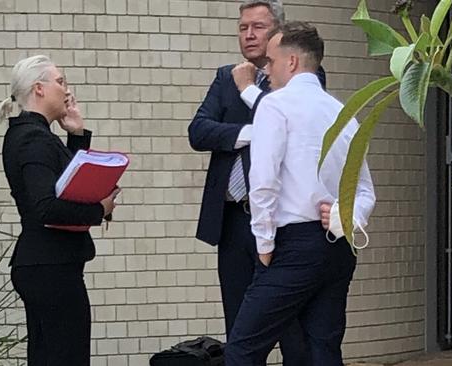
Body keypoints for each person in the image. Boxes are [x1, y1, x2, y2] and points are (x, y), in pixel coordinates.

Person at [224, 22, 376, 366]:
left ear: (291, 62)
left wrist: (263, 243)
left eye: (271, 61)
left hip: (291, 245)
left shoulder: (274, 105)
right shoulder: (343, 113)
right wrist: (346, 215)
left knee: (242, 348)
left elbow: (262, 180)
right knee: (321, 349)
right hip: (338, 247)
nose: (266, 70)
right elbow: (365, 188)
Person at [188, 1, 328, 364]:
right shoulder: (226, 77)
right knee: (240, 328)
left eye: (258, 27)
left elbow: (293, 119)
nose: (249, 35)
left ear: (278, 34)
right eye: (243, 27)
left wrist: (252, 92)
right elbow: (199, 131)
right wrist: (255, 132)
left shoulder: (304, 75)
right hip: (234, 219)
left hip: (282, 222)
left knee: (291, 328)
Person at [0, 55, 119, 366]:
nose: (67, 91)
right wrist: (98, 209)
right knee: (67, 357)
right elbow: (46, 207)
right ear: (39, 88)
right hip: (49, 266)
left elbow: (69, 186)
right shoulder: (32, 139)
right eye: (61, 82)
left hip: (48, 264)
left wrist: (77, 135)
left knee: (51, 356)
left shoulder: (34, 135)